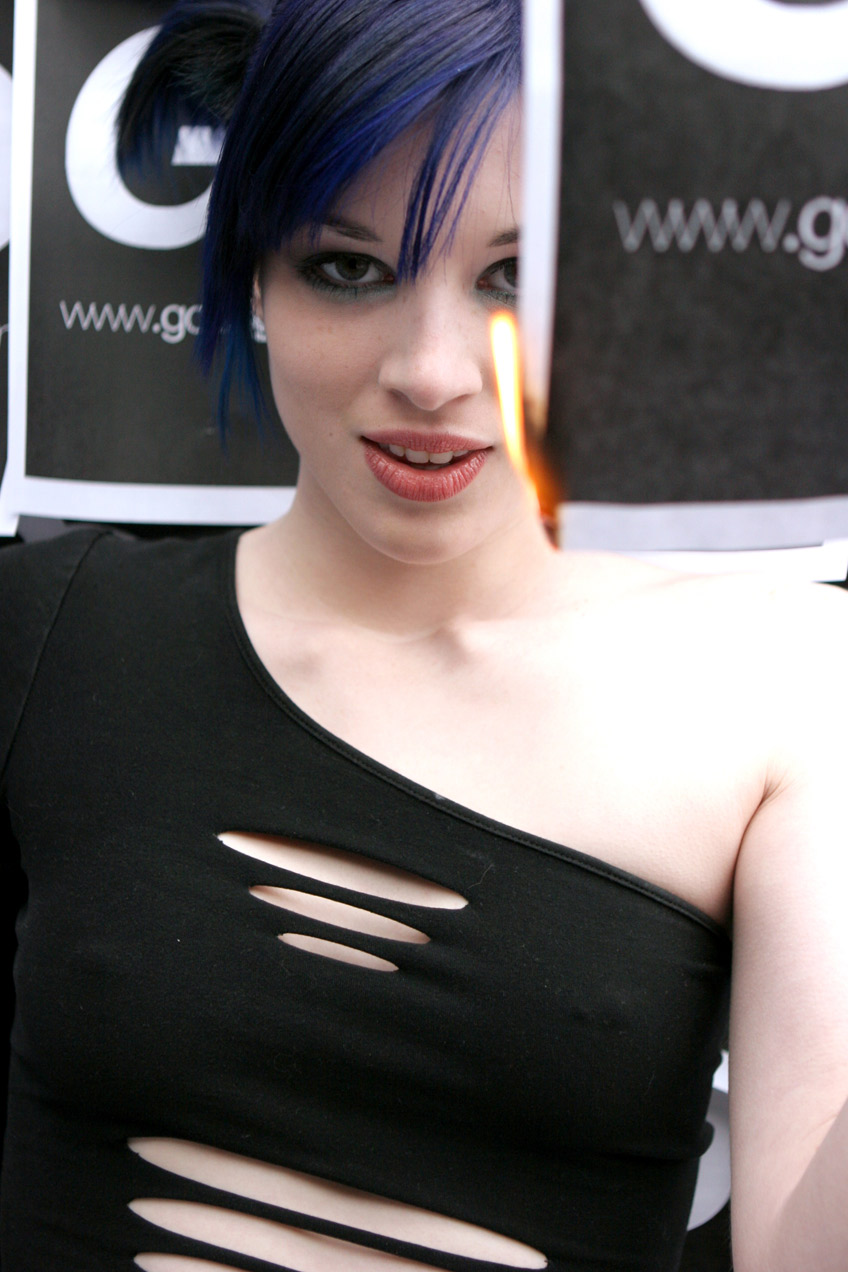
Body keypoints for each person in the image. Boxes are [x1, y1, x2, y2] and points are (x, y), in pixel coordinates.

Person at [2, 1, 848, 1269]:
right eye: (348, 268)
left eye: (518, 277)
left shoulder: (782, 684)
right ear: (254, 276)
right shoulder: (53, 633)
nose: (433, 371)